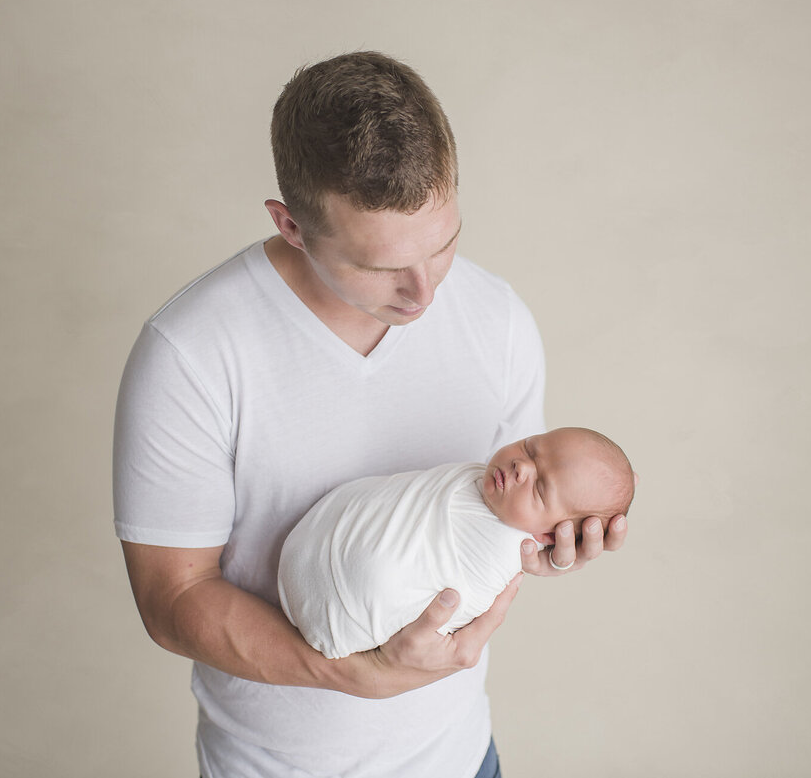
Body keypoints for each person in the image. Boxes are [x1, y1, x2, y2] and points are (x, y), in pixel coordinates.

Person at [113, 51, 629, 778]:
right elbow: (173, 598)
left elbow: (483, 520)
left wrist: (535, 545)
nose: (422, 292)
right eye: (380, 266)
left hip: (461, 758)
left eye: (444, 245)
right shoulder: (191, 353)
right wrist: (354, 672)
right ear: (291, 225)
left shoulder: (499, 319)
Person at [279, 427, 636, 659]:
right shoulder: (478, 480)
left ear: (547, 536)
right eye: (530, 447)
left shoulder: (502, 554)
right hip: (305, 554)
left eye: (540, 487)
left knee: (383, 575)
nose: (521, 467)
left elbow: (462, 602)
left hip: (343, 619)